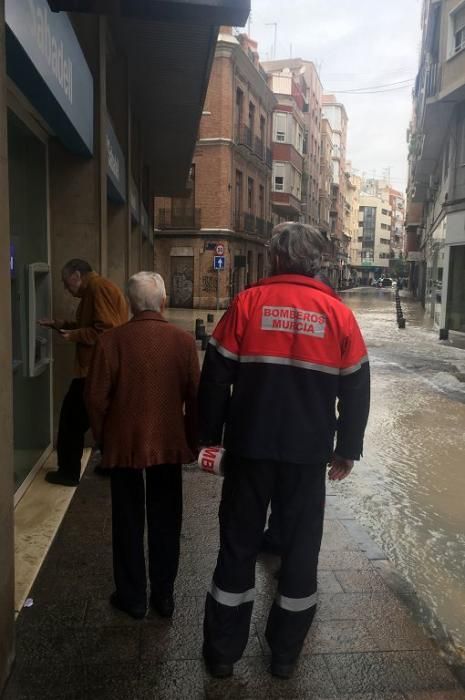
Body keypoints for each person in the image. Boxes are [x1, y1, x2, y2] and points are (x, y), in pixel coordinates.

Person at [198, 222, 370, 680]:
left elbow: (215, 377)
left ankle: (222, 654)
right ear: (316, 262)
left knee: (237, 546)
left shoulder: (247, 304)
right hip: (307, 457)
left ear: (276, 257)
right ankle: (284, 655)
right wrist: (346, 448)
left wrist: (209, 437)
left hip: (249, 449)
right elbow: (356, 388)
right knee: (299, 554)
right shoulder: (338, 315)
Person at [85, 272, 199, 620]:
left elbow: (94, 399)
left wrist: (105, 439)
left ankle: (133, 597)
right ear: (163, 302)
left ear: (131, 304)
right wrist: (190, 441)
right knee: (166, 520)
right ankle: (163, 596)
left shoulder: (111, 341)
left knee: (127, 521)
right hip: (168, 444)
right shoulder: (182, 342)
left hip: (124, 446)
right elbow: (195, 397)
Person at [39, 259, 128, 487]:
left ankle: (68, 473)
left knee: (71, 421)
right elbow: (92, 324)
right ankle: (111, 464)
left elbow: (107, 330)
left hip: (93, 371)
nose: (65, 288)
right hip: (99, 370)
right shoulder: (96, 289)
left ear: (77, 275)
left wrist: (76, 335)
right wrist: (60, 325)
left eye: (65, 281)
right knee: (104, 419)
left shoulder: (98, 289)